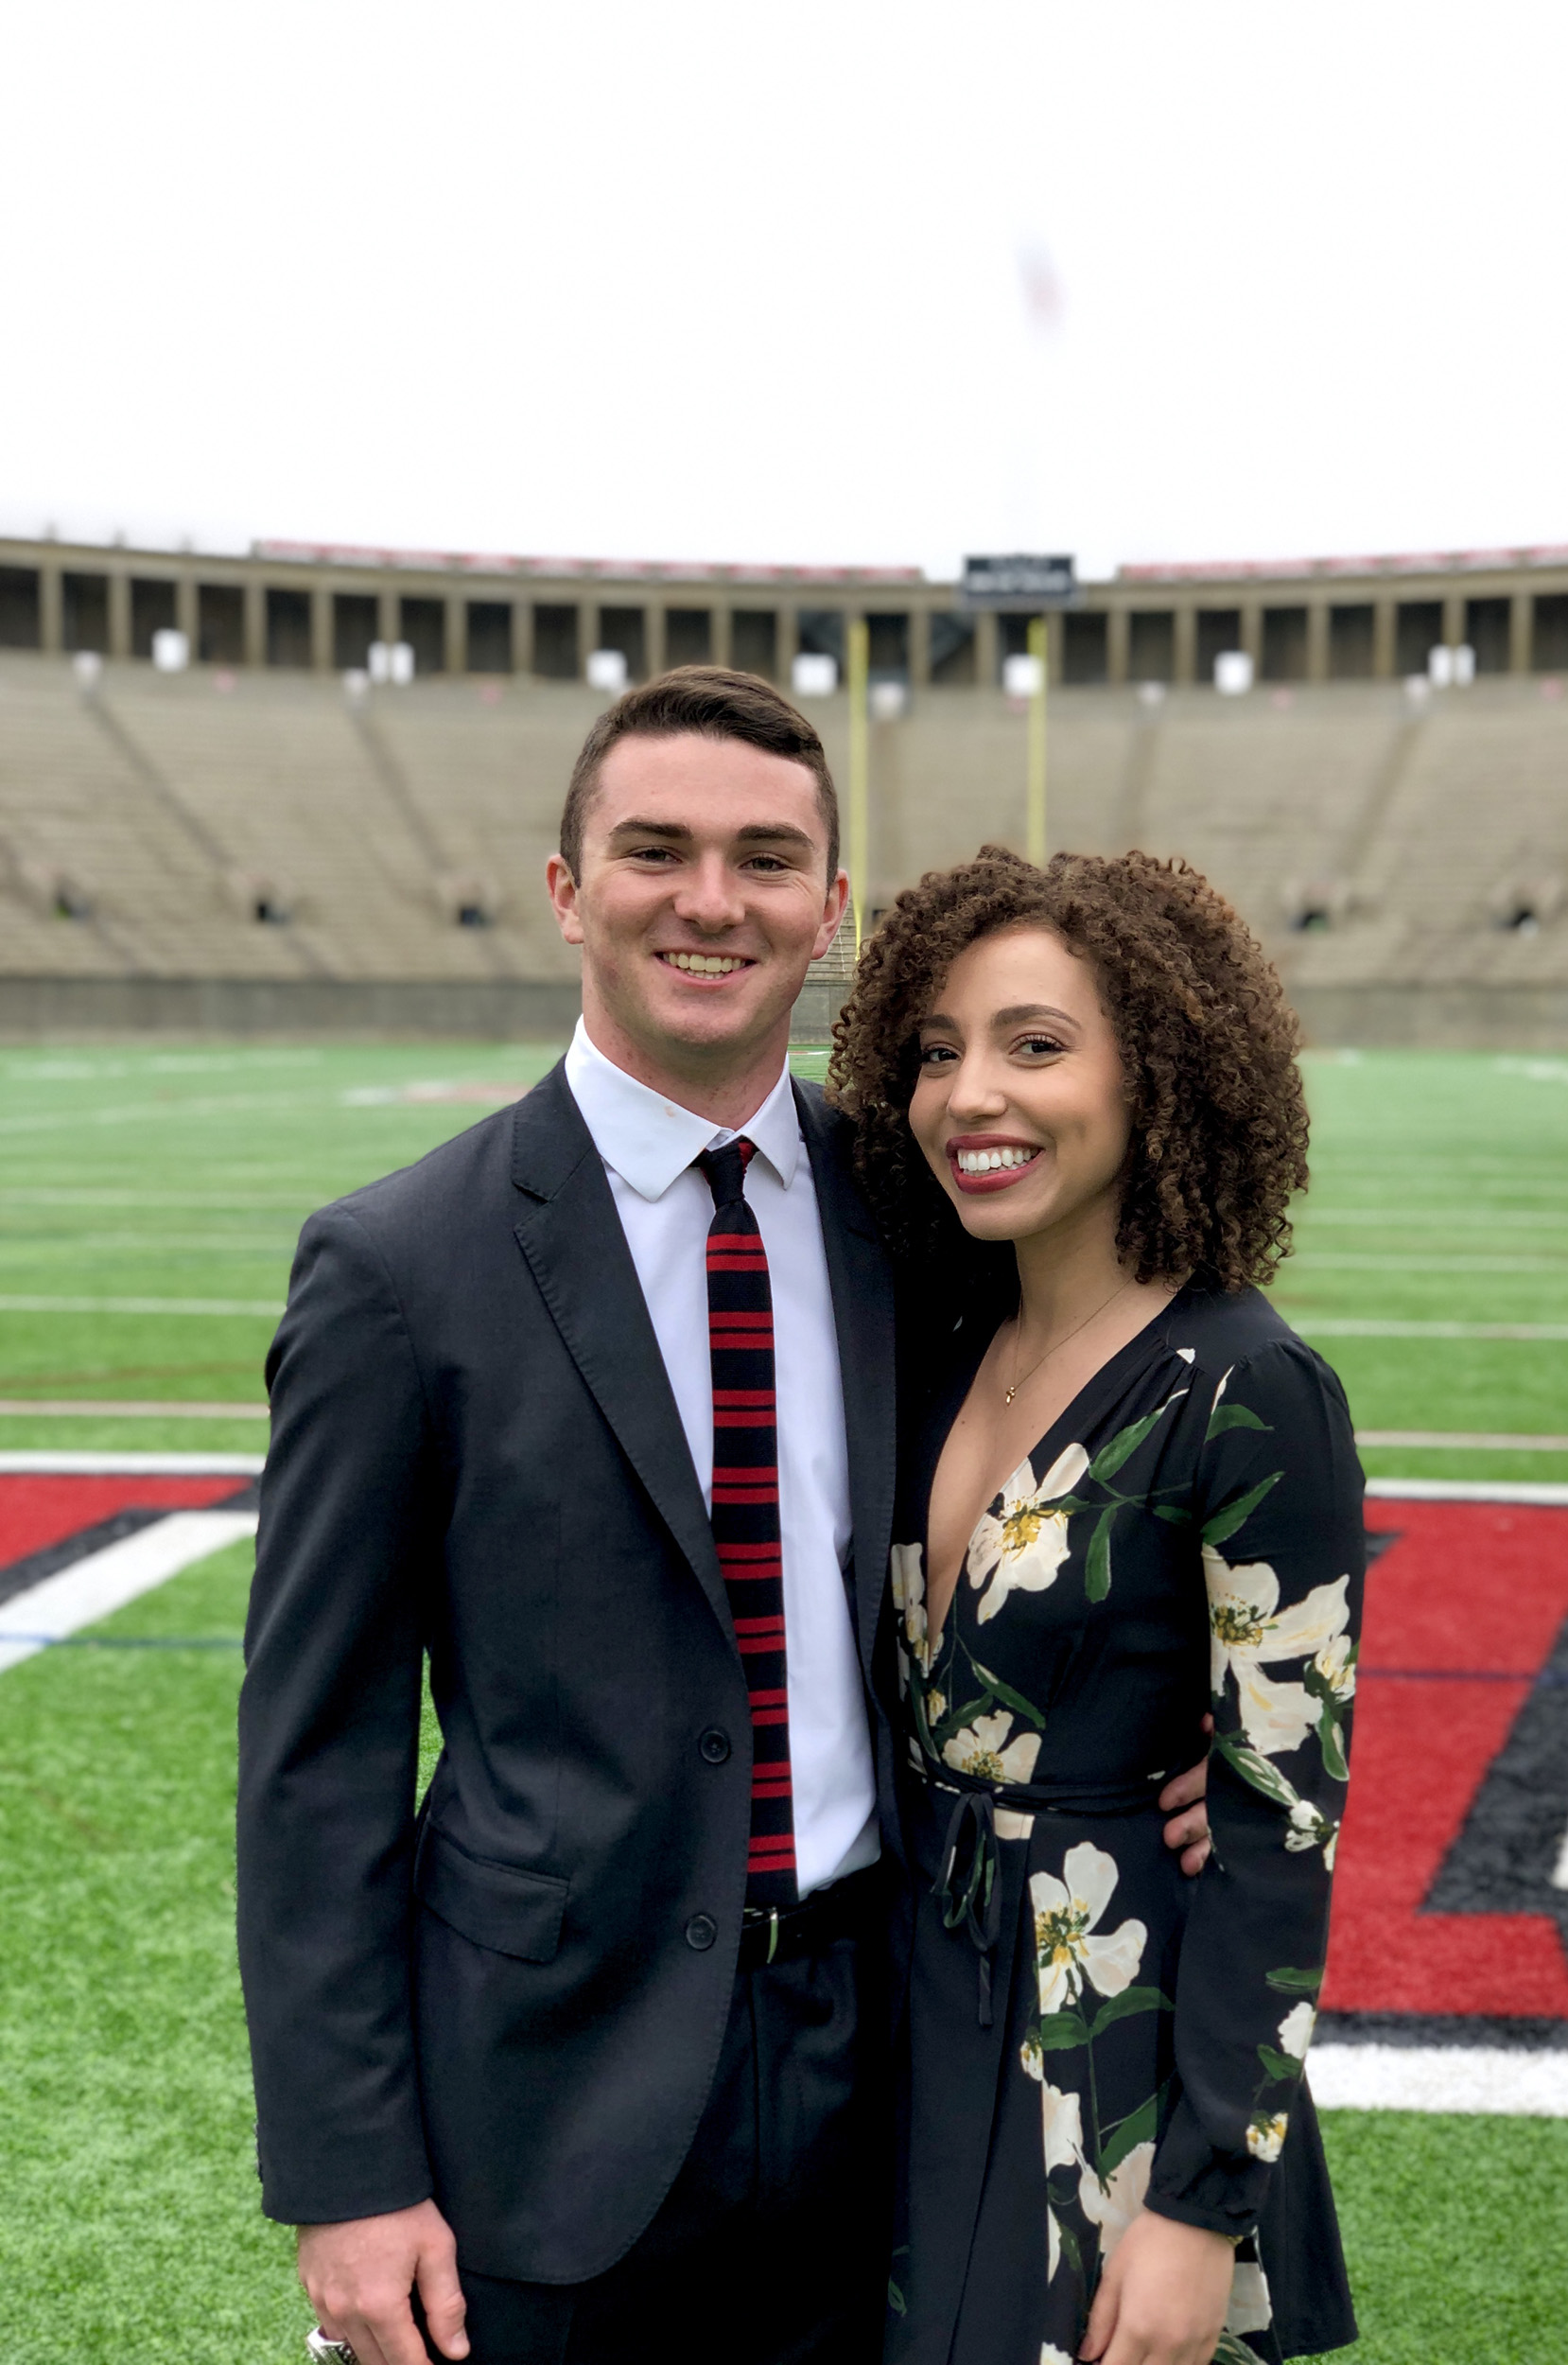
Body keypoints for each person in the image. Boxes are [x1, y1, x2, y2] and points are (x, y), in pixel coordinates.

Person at [236, 667, 1218, 2365]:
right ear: (568, 892)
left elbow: (1074, 1479)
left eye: (767, 859)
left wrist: (1178, 1705)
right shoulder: (399, 1266)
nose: (712, 900)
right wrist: (346, 2173)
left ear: (829, 910)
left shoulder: (921, 1212)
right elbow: (316, 1755)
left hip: (896, 2047)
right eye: (656, 850)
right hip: (544, 2084)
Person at [826, 846, 1364, 2365]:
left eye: (1035, 1045)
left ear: (1165, 1078)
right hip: (908, 2005)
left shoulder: (1250, 1390)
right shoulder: (931, 1342)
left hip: (1108, 2038)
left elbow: (1278, 1833)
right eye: (936, 1052)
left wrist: (1202, 2211)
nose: (967, 1095)